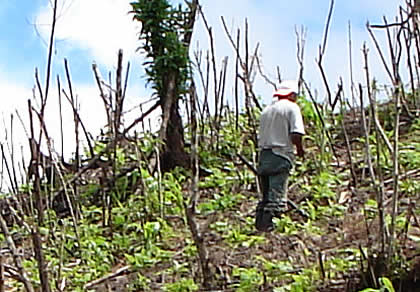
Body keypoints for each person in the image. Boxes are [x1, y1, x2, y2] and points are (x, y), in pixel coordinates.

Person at [255, 80, 305, 232]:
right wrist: (300, 149)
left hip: (264, 156)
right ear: (292, 95)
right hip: (280, 154)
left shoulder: (266, 110)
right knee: (277, 197)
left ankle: (260, 226)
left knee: (266, 197)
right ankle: (272, 229)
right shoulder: (291, 108)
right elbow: (296, 133)